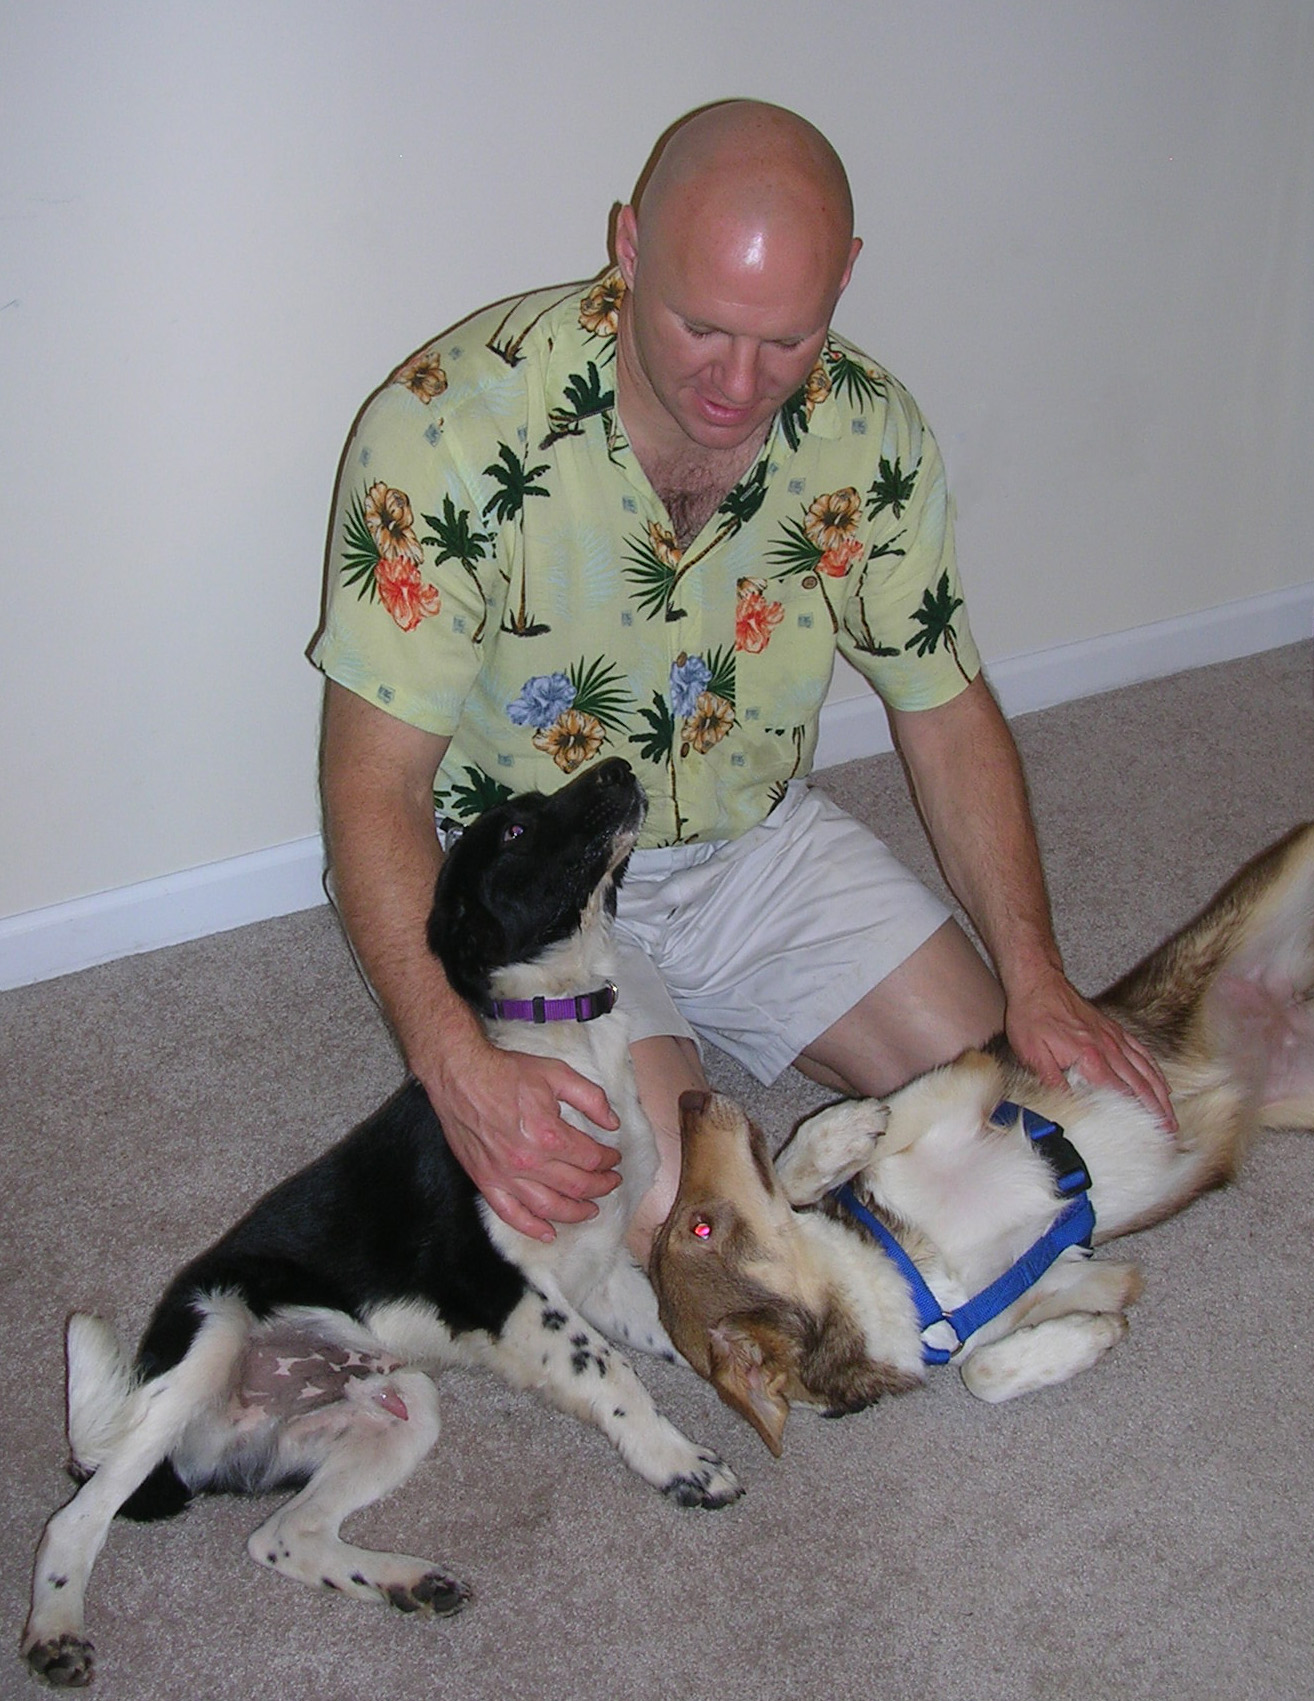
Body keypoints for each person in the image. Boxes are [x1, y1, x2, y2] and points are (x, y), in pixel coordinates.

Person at [312, 99, 1172, 1254]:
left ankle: (757, 1023)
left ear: (846, 279)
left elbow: (946, 708)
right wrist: (453, 1062)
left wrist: (1039, 977)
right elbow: (372, 788)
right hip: (531, 879)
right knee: (694, 1236)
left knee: (1032, 1137)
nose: (739, 381)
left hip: (750, 842)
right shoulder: (445, 434)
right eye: (701, 326)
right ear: (628, 247)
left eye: (788, 340)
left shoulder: (870, 432)